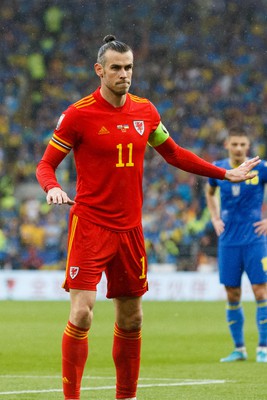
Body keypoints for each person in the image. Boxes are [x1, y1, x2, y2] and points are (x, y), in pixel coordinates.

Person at [36, 35, 260, 400]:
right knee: (82, 314)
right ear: (100, 70)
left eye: (129, 68)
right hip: (90, 225)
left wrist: (224, 174)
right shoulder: (78, 115)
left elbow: (174, 154)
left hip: (131, 229)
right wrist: (52, 187)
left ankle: (127, 396)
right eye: (116, 68)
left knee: (133, 318)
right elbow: (46, 164)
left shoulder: (146, 111)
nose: (124, 75)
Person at [205, 125, 267, 363]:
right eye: (235, 144)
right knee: (232, 293)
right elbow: (210, 193)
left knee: (261, 291)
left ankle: (263, 347)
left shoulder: (260, 168)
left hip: (254, 237)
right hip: (229, 238)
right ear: (227, 145)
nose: (239, 148)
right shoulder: (218, 169)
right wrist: (215, 216)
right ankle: (239, 349)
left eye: (243, 144)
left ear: (248, 146)